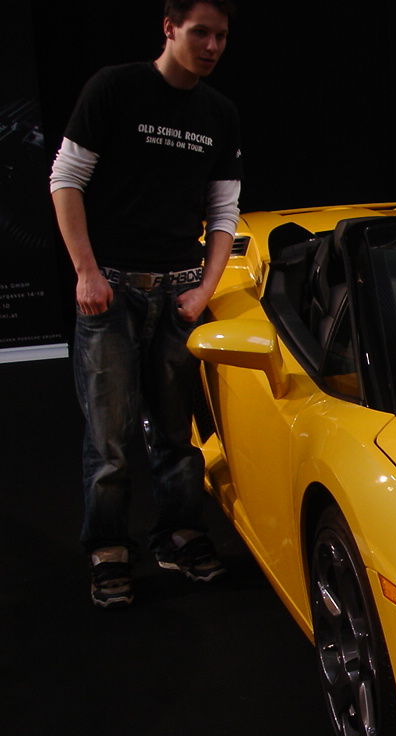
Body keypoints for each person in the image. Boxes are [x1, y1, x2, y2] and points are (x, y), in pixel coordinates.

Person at [50, 1, 242, 608]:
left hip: (178, 292)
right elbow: (65, 179)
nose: (212, 45)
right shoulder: (116, 88)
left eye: (221, 36)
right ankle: (108, 549)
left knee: (178, 434)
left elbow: (223, 214)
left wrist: (204, 290)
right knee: (107, 437)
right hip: (112, 291)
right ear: (169, 28)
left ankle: (179, 535)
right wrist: (85, 272)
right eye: (200, 32)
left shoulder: (219, 114)